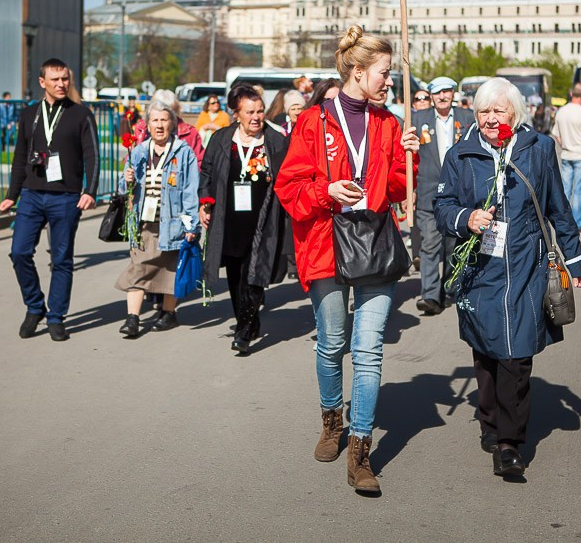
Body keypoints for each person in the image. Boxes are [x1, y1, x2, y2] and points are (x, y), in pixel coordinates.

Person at [275, 25, 420, 495]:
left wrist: (409, 161)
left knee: (371, 348)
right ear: (357, 72)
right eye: (384, 73)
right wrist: (326, 190)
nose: (389, 82)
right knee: (332, 342)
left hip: (375, 242)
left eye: (391, 74)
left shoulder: (390, 124)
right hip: (325, 243)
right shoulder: (314, 121)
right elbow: (288, 187)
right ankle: (332, 419)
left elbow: (397, 189)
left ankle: (361, 450)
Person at [434, 77, 581, 477]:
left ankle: (509, 443)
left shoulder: (538, 150)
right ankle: (490, 423)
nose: (489, 119)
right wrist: (465, 218)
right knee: (486, 351)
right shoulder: (461, 154)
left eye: (498, 111)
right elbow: (442, 205)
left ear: (515, 114)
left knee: (516, 355)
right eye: (483, 111)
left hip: (526, 268)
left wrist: (575, 259)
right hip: (479, 271)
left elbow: (557, 205)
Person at [0, 58, 99, 341]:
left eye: (65, 79)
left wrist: (89, 190)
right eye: (55, 79)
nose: (61, 84)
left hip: (66, 198)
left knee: (62, 259)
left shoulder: (81, 115)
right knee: (19, 252)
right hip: (31, 195)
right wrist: (12, 194)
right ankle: (34, 307)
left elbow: (92, 155)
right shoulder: (29, 114)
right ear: (42, 82)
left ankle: (56, 316)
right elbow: (20, 157)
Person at [198, 83, 289, 355]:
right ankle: (248, 319)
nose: (256, 117)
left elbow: (289, 176)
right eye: (249, 112)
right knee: (236, 274)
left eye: (260, 111)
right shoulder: (222, 139)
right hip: (230, 219)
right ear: (236, 113)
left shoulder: (276, 141)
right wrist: (205, 202)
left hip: (264, 219)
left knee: (255, 273)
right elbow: (207, 173)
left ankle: (243, 332)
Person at [114, 99, 200, 337]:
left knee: (171, 269)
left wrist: (191, 225)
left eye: (164, 120)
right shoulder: (139, 151)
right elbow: (123, 190)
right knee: (138, 267)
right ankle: (132, 318)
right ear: (147, 124)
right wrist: (127, 179)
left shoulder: (184, 153)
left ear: (172, 123)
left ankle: (168, 313)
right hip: (144, 223)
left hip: (172, 222)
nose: (160, 125)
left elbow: (190, 192)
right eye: (155, 120)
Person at [414, 75, 475, 314]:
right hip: (428, 191)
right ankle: (429, 294)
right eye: (438, 92)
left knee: (452, 246)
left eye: (446, 92)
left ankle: (448, 288)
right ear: (431, 96)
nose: (442, 96)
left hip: (457, 194)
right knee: (430, 244)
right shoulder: (417, 119)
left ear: (453, 94)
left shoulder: (466, 119)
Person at [551, 82, 581, 232]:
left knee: (565, 190)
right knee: (578, 190)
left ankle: (563, 221)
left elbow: (556, 134)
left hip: (566, 154)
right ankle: (577, 222)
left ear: (571, 94)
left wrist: (565, 144)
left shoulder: (561, 112)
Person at [152, 89, 205, 165]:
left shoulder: (190, 133)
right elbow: (132, 160)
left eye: (170, 113)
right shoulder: (142, 130)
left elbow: (199, 162)